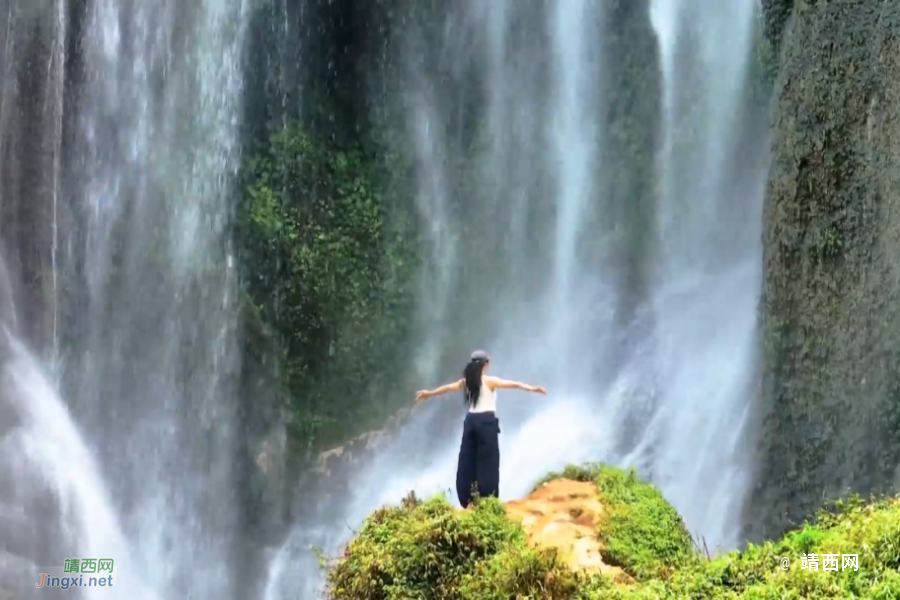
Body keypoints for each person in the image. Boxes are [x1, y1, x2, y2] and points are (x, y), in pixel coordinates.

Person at [415, 350, 547, 508]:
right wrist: (533, 389)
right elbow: (513, 384)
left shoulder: (466, 382)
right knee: (488, 461)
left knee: (468, 459)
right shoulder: (489, 381)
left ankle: (468, 499)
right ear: (485, 365)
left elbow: (446, 388)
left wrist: (428, 393)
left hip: (470, 423)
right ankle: (487, 499)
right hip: (486, 423)